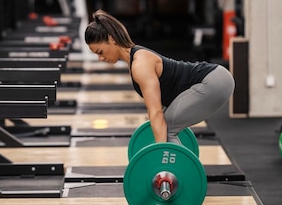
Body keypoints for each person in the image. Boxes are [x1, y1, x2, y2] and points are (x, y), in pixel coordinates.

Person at [84, 9, 235, 145]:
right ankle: (182, 169)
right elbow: (159, 111)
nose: (100, 58)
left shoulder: (140, 64)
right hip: (214, 79)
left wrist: (160, 156)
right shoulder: (135, 59)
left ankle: (181, 174)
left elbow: (156, 113)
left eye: (100, 52)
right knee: (164, 126)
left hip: (212, 81)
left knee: (167, 128)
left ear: (112, 40)